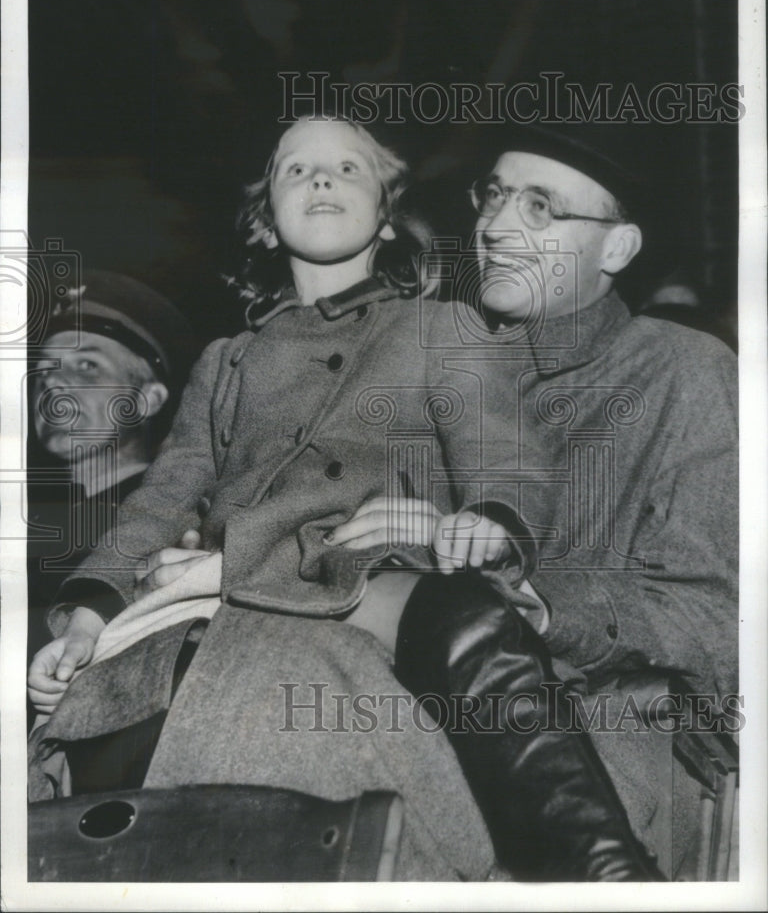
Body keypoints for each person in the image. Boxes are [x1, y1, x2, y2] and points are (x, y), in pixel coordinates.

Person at [28, 117, 659, 881]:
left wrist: (490, 522)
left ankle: (595, 869)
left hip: (355, 570)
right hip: (219, 592)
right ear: (264, 225)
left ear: (387, 216)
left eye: (347, 170)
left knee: (466, 618)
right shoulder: (226, 361)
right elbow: (161, 498)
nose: (320, 180)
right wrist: (88, 615)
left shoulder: (443, 329)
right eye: (296, 170)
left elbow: (505, 455)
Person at [338, 125, 738, 875]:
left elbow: (717, 619)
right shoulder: (422, 367)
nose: (492, 227)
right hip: (387, 705)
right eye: (492, 197)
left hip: (588, 742)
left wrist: (524, 594)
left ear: (616, 250)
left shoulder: (685, 372)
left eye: (540, 208)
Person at [27, 270, 196, 659]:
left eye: (86, 366)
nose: (52, 383)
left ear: (145, 401)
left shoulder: (171, 526)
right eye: (47, 367)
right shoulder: (29, 518)